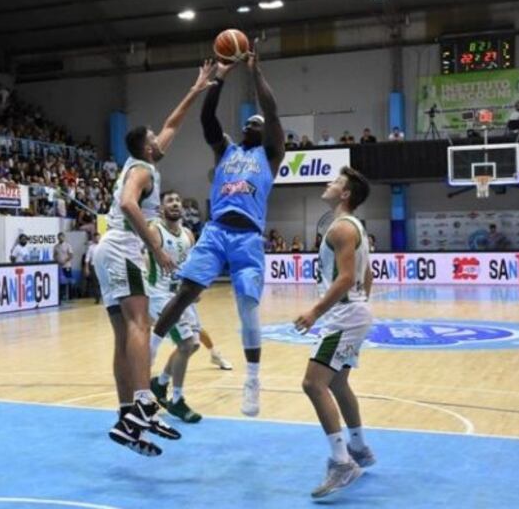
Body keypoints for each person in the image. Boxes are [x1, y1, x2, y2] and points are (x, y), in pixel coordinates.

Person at [152, 48, 285, 419]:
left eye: (254, 124)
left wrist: (256, 73)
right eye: (246, 123)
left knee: (247, 307)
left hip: (247, 239)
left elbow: (271, 112)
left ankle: (253, 378)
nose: (249, 125)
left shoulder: (270, 155)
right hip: (215, 232)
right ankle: (148, 356)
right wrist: (220, 77)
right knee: (184, 294)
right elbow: (208, 118)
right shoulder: (225, 150)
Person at [94, 60, 215, 456]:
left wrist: (196, 88)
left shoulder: (141, 160)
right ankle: (145, 399)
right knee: (140, 324)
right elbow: (130, 204)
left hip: (111, 250)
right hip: (125, 247)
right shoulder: (143, 171)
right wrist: (156, 246)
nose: (162, 140)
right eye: (155, 139)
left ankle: (127, 415)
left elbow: (172, 124)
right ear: (148, 147)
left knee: (123, 335)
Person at [293, 166, 375, 499]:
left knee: (313, 384)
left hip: (343, 315)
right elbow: (367, 275)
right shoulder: (355, 227)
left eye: (336, 182)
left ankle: (342, 462)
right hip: (353, 311)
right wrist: (358, 304)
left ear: (345, 194)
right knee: (338, 382)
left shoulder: (341, 227)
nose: (329, 184)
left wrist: (315, 311)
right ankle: (359, 448)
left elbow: (345, 278)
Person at [146, 191, 203, 423]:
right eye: (170, 201)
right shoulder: (154, 230)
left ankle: (159, 384)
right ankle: (176, 400)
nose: (176, 203)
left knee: (195, 344)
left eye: (179, 200)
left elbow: (192, 265)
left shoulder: (188, 234)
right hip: (159, 295)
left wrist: (194, 289)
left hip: (180, 295)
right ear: (161, 209)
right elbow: (144, 255)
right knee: (186, 343)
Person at [53, 233, 74, 301]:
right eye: (59, 237)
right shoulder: (56, 246)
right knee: (61, 282)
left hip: (66, 266)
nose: (60, 239)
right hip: (59, 267)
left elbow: (71, 255)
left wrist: (64, 261)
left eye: (61, 237)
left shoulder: (68, 245)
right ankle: (61, 296)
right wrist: (57, 261)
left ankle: (70, 296)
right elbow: (55, 255)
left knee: (68, 281)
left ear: (64, 237)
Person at [83, 232, 100, 304]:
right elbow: (87, 259)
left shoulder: (103, 246)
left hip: (103, 266)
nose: (97, 239)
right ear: (94, 238)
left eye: (98, 237)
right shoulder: (91, 247)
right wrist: (86, 268)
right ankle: (97, 298)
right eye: (96, 238)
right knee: (95, 283)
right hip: (94, 266)